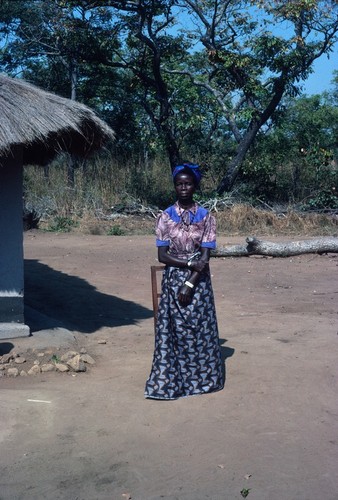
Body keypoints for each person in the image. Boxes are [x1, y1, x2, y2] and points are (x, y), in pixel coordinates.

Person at [144, 162, 224, 400]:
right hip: (174, 278)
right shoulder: (165, 217)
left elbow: (205, 256)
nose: (183, 188)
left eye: (188, 183)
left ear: (195, 186)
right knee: (176, 331)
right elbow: (162, 255)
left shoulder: (207, 217)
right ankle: (173, 382)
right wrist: (188, 265)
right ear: (175, 186)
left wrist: (190, 282)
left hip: (198, 281)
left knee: (199, 329)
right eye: (179, 184)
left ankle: (202, 381)